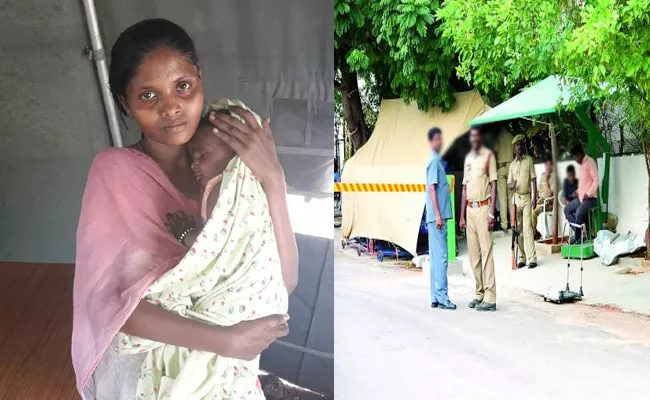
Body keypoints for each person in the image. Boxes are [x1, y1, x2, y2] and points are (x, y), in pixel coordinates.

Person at [72, 19, 298, 399]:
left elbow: (283, 280)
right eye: (148, 96)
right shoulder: (116, 172)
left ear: (200, 79)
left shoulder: (236, 164)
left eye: (182, 87)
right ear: (125, 104)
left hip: (227, 371)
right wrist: (223, 340)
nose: (171, 108)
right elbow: (110, 307)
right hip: (150, 375)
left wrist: (273, 178)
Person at [460, 127, 498, 311]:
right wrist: (461, 216)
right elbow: (464, 189)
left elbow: (494, 184)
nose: (474, 139)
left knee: (486, 252)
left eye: (477, 136)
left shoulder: (489, 156)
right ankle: (479, 293)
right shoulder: (468, 159)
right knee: (474, 255)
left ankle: (490, 298)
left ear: (480, 138)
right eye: (472, 137)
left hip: (483, 208)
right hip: (469, 210)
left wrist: (492, 212)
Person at [425, 127, 456, 310]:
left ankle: (435, 297)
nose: (440, 143)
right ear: (432, 142)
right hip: (438, 218)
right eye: (437, 140)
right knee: (442, 257)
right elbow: (432, 188)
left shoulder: (433, 161)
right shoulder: (435, 161)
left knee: (436, 258)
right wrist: (438, 215)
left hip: (435, 217)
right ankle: (442, 297)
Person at [507, 135, 538, 268]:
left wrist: (535, 197)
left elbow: (534, 180)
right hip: (515, 200)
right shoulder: (512, 165)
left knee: (527, 228)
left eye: (521, 144)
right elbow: (508, 184)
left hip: (526, 198)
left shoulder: (529, 160)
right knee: (517, 230)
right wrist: (511, 185)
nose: (519, 147)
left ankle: (532, 259)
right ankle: (522, 257)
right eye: (517, 145)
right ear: (514, 148)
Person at [564, 144, 599, 243]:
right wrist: (577, 192)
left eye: (575, 157)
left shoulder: (590, 162)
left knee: (579, 213)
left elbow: (596, 180)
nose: (575, 160)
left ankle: (578, 238)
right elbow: (584, 183)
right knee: (567, 210)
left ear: (579, 154)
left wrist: (588, 193)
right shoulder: (581, 165)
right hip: (580, 199)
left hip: (591, 199)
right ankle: (579, 234)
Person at [495, 129, 514, 231]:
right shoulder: (511, 136)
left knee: (502, 198)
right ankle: (513, 221)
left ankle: (504, 224)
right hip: (511, 167)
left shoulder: (498, 137)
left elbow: (495, 152)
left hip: (501, 168)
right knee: (511, 197)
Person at [533, 158, 557, 237]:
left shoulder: (554, 177)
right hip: (540, 201)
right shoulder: (543, 175)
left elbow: (550, 194)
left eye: (549, 165)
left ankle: (534, 234)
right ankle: (535, 233)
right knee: (526, 211)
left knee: (533, 213)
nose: (547, 167)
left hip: (547, 203)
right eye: (546, 165)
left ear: (552, 166)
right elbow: (538, 188)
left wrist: (546, 180)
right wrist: (535, 197)